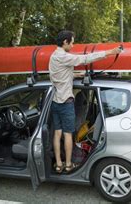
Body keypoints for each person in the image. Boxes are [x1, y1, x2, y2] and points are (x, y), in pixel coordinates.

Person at [49, 30, 122, 173]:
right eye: (72, 41)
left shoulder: (53, 56)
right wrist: (110, 52)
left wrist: (78, 74)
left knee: (57, 134)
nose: (73, 44)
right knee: (68, 134)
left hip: (55, 101)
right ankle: (69, 164)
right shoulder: (64, 56)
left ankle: (58, 164)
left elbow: (62, 73)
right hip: (66, 102)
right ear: (65, 42)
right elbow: (86, 59)